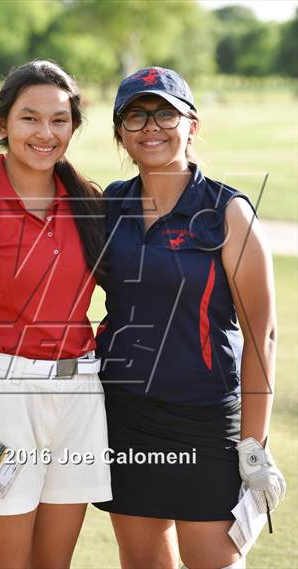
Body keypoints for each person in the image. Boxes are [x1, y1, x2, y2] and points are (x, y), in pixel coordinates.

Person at [93, 67, 286, 569]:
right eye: (135, 116)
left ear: (191, 125)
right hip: (126, 416)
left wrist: (254, 444)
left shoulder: (227, 211)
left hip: (205, 420)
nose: (151, 126)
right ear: (120, 134)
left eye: (165, 113)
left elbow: (261, 335)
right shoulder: (107, 205)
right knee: (141, 561)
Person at [0, 60, 112, 569]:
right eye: (29, 118)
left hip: (79, 395)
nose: (45, 133)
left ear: (74, 126)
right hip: (4, 400)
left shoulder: (88, 202)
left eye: (59, 120)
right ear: (1, 123)